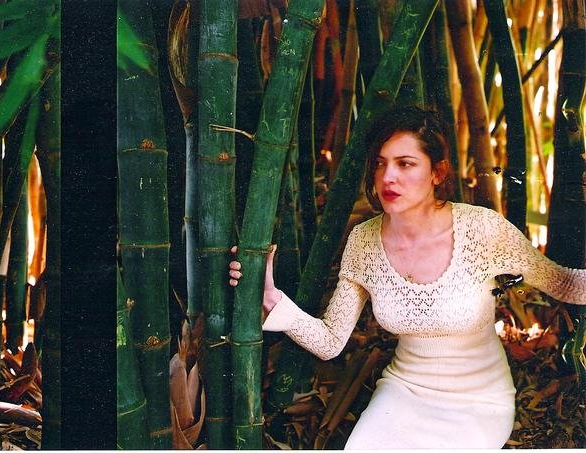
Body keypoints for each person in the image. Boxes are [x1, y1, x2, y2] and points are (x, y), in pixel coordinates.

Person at [228, 106, 586, 449]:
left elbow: (563, 283)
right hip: (403, 392)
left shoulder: (481, 229)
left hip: (479, 401)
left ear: (438, 173)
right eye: (380, 163)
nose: (388, 177)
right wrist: (271, 298)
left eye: (405, 163)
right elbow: (331, 341)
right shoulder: (364, 241)